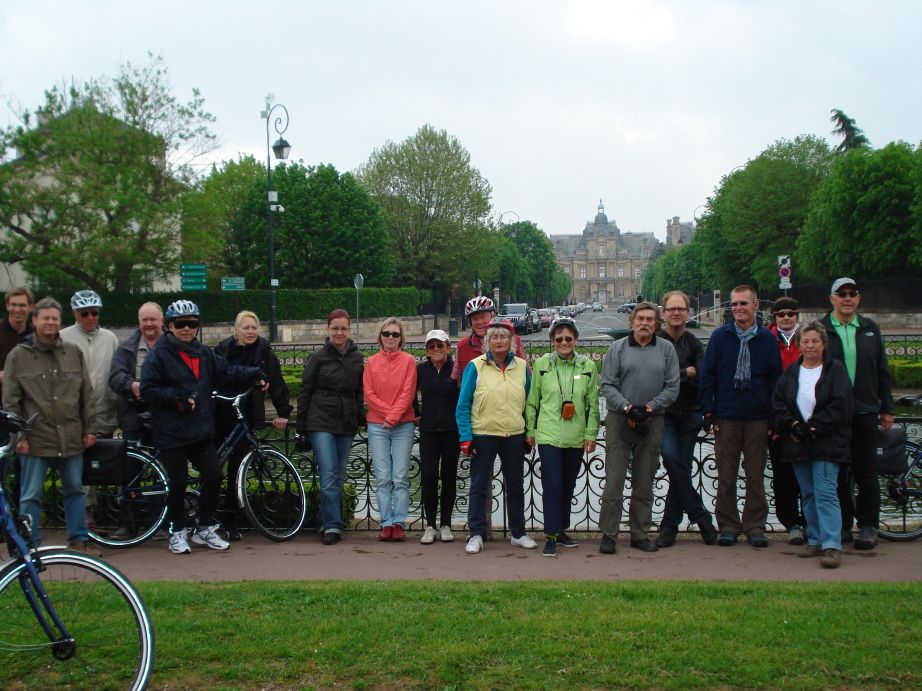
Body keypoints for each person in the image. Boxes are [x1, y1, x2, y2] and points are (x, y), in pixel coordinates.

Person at [140, 300, 267, 555]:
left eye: (192, 324)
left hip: (199, 427)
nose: (187, 329)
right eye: (181, 324)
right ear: (171, 326)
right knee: (178, 482)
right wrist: (176, 399)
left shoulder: (203, 352)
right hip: (172, 430)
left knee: (214, 475)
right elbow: (147, 389)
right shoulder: (160, 354)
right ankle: (177, 531)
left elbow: (226, 371)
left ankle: (204, 527)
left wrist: (254, 373)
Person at [2, 297, 99, 554]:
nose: (50, 322)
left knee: (75, 491)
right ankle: (28, 544)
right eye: (45, 318)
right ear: (34, 321)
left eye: (54, 318)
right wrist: (19, 436)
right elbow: (11, 400)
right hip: (36, 438)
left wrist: (90, 428)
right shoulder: (18, 357)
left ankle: (79, 540)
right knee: (31, 494)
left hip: (71, 435)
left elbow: (86, 394)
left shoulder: (73, 353)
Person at [699, 285, 782, 548]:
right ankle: (728, 526)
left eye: (743, 304)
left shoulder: (767, 339)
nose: (738, 309)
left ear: (755, 306)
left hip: (757, 417)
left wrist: (773, 417)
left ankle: (755, 526)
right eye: (734, 304)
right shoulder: (720, 336)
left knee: (755, 475)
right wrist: (709, 412)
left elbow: (775, 380)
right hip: (727, 416)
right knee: (726, 475)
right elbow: (708, 376)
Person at [598, 301, 679, 554]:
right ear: (632, 322)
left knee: (645, 480)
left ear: (657, 324)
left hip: (652, 419)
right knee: (614, 480)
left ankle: (640, 533)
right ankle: (609, 535)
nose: (644, 323)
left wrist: (650, 407)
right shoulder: (617, 348)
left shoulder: (666, 349)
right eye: (640, 319)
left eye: (650, 319)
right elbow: (607, 385)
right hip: (619, 418)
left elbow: (672, 387)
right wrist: (627, 407)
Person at [820, 277, 894, 550]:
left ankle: (868, 525)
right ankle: (841, 526)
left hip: (864, 409)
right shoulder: (822, 330)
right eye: (842, 294)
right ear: (832, 299)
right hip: (834, 412)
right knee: (836, 473)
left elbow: (882, 372)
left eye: (852, 293)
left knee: (866, 472)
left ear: (858, 299)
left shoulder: (870, 329)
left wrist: (886, 406)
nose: (847, 298)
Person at [772, 321, 853, 568]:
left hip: (826, 441)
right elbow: (779, 403)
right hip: (798, 442)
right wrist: (794, 424)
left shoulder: (835, 370)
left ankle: (831, 545)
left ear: (823, 344)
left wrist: (815, 425)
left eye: (815, 341)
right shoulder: (792, 372)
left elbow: (842, 404)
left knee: (826, 493)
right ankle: (816, 539)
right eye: (805, 341)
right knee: (808, 494)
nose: (810, 346)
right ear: (799, 345)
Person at [456, 317, 535, 554]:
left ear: (511, 341)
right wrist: (465, 437)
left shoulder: (521, 367)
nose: (499, 341)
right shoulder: (476, 366)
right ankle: (476, 533)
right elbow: (463, 404)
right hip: (484, 433)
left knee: (515, 485)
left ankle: (518, 533)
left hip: (514, 433)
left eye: (503, 337)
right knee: (479, 485)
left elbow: (530, 403)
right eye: (494, 337)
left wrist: (529, 430)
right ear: (487, 342)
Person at [214, 310, 292, 541]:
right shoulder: (223, 350)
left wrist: (283, 412)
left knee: (237, 472)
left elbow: (276, 382)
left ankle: (230, 521)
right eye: (245, 327)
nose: (250, 331)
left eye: (254, 327)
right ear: (236, 330)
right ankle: (206, 519)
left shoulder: (264, 352)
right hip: (221, 414)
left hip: (246, 417)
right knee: (214, 468)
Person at [525, 316, 600, 558]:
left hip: (575, 435)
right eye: (559, 338)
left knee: (568, 485)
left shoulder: (587, 366)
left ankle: (562, 529)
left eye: (568, 338)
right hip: (548, 435)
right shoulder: (542, 365)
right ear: (552, 341)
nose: (564, 342)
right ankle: (551, 535)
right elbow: (532, 401)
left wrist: (591, 434)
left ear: (576, 340)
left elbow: (592, 405)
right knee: (552, 485)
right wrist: (530, 430)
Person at [295, 309, 364, 546]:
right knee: (328, 473)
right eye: (335, 328)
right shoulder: (318, 357)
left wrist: (361, 416)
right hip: (320, 420)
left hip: (346, 421)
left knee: (339, 474)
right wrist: (301, 426)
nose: (339, 332)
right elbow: (305, 391)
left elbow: (359, 393)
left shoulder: (357, 358)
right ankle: (333, 526)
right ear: (328, 329)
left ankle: (325, 518)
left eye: (343, 328)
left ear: (349, 329)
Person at [655, 291, 718, 548]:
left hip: (690, 413)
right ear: (664, 314)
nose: (676, 313)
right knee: (673, 461)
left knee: (677, 467)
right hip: (664, 414)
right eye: (671, 309)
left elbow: (701, 376)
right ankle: (701, 517)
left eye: (681, 309)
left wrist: (678, 375)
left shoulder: (694, 343)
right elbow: (656, 377)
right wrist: (684, 372)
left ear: (688, 313)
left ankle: (669, 527)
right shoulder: (656, 343)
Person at [364, 317, 417, 542]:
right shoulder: (371, 362)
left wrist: (393, 416)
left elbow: (409, 392)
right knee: (383, 477)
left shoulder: (409, 361)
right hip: (377, 425)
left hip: (403, 425)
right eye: (387, 334)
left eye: (395, 334)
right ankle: (386, 522)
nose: (391, 338)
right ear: (381, 337)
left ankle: (399, 522)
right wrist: (389, 414)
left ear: (401, 338)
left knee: (401, 476)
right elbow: (369, 394)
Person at [767, 296, 806, 545]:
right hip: (778, 418)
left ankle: (811, 522)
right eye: (781, 314)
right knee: (783, 476)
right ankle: (792, 523)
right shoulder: (765, 340)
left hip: (807, 418)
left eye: (790, 313)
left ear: (797, 315)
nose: (786, 317)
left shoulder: (809, 339)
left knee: (811, 474)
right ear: (775, 317)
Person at [416, 329, 460, 544]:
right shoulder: (422, 370)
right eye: (432, 346)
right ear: (427, 350)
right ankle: (430, 525)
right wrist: (416, 414)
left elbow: (464, 397)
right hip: (429, 430)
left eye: (440, 345)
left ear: (448, 348)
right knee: (429, 477)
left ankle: (446, 524)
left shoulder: (456, 369)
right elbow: (409, 393)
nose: (436, 350)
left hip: (452, 431)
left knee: (449, 477)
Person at [60, 290, 120, 439]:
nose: (91, 318)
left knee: (105, 461)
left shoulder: (110, 338)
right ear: (75, 314)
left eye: (94, 313)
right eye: (84, 314)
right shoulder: (62, 338)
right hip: (74, 419)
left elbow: (117, 373)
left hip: (104, 418)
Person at [109, 302, 164, 446]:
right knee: (132, 466)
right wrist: (131, 385)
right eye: (144, 320)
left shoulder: (172, 345)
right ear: (139, 322)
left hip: (165, 418)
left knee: (165, 465)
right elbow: (115, 376)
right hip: (133, 418)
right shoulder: (126, 348)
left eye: (152, 319)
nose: (148, 324)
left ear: (162, 320)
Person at [0, 286, 34, 405]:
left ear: (30, 307)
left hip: (29, 405)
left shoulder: (37, 335)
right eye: (13, 305)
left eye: (22, 305)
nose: (17, 309)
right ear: (7, 306)